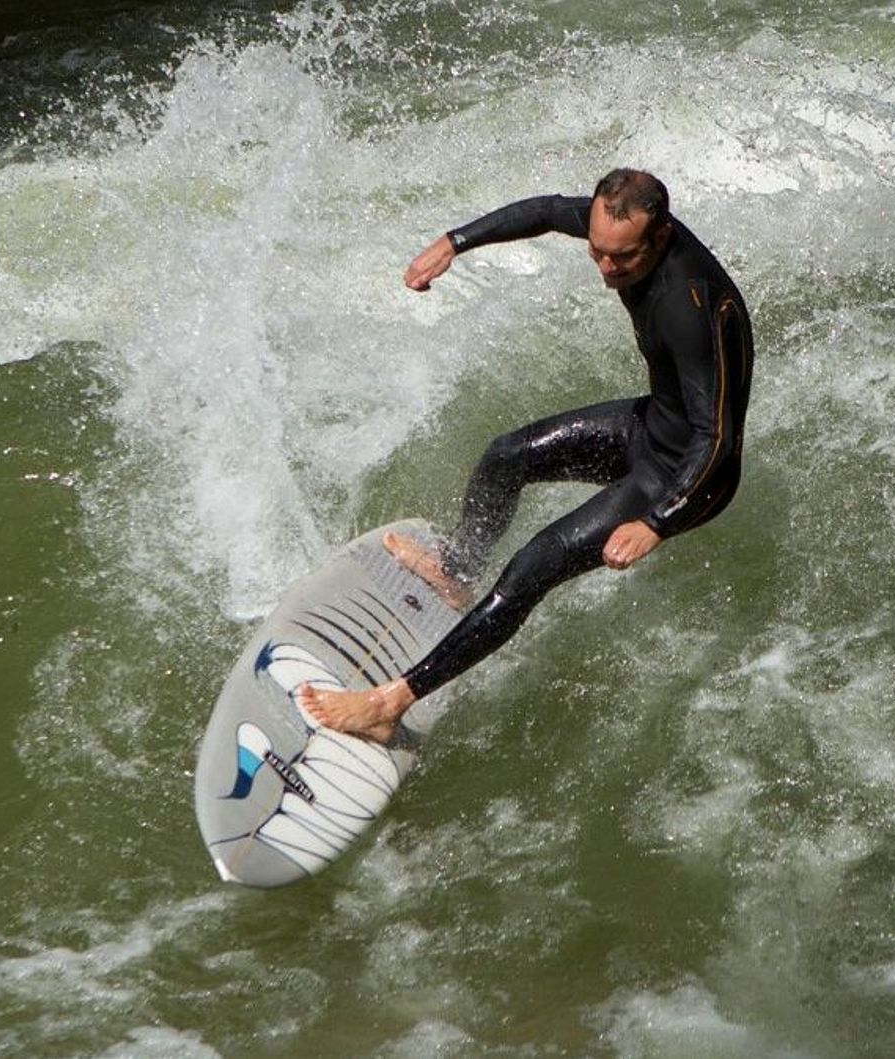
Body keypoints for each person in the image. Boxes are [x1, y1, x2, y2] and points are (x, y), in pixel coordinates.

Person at [300, 168, 754, 743]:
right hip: (650, 428)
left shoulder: (688, 307)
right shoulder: (619, 232)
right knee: (506, 456)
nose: (608, 270)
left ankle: (390, 704)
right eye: (598, 253)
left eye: (623, 259)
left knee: (530, 569)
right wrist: (454, 242)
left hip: (686, 476)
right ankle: (456, 570)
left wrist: (656, 522)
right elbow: (543, 210)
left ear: (660, 238)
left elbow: (718, 439)